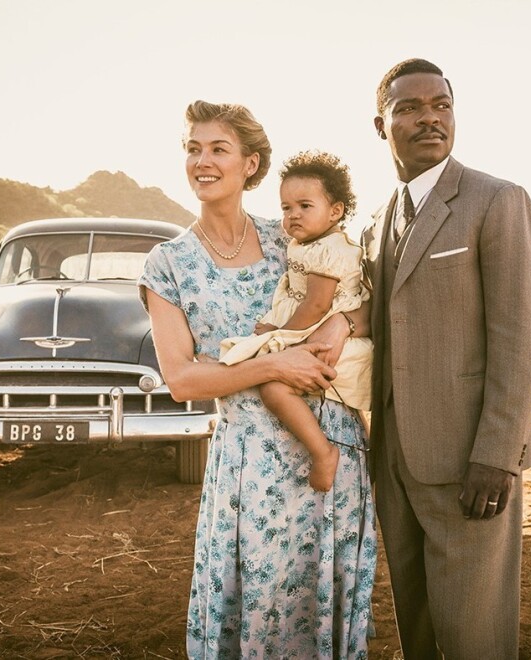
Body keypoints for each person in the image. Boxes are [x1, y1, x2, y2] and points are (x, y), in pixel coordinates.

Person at [138, 100, 376, 658]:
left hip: (333, 446)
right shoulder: (168, 263)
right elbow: (181, 380)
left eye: (218, 148)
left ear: (251, 164)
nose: (203, 160)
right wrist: (273, 365)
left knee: (321, 598)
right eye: (193, 149)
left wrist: (342, 322)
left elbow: (369, 305)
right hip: (251, 463)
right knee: (260, 602)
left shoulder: (296, 235)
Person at [362, 58, 531, 658]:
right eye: (409, 108)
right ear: (379, 124)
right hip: (394, 461)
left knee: (474, 635)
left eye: (440, 104)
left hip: (472, 462)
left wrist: (498, 455)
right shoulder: (379, 219)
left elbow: (519, 339)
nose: (429, 118)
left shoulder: (497, 200)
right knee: (417, 629)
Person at [219, 150, 372, 492]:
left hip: (327, 338)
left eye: (305, 206)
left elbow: (317, 305)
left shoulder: (331, 249)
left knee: (274, 387)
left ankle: (323, 453)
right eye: (286, 208)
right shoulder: (305, 245)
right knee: (260, 364)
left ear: (335, 211)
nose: (293, 216)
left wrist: (280, 333)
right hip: (312, 331)